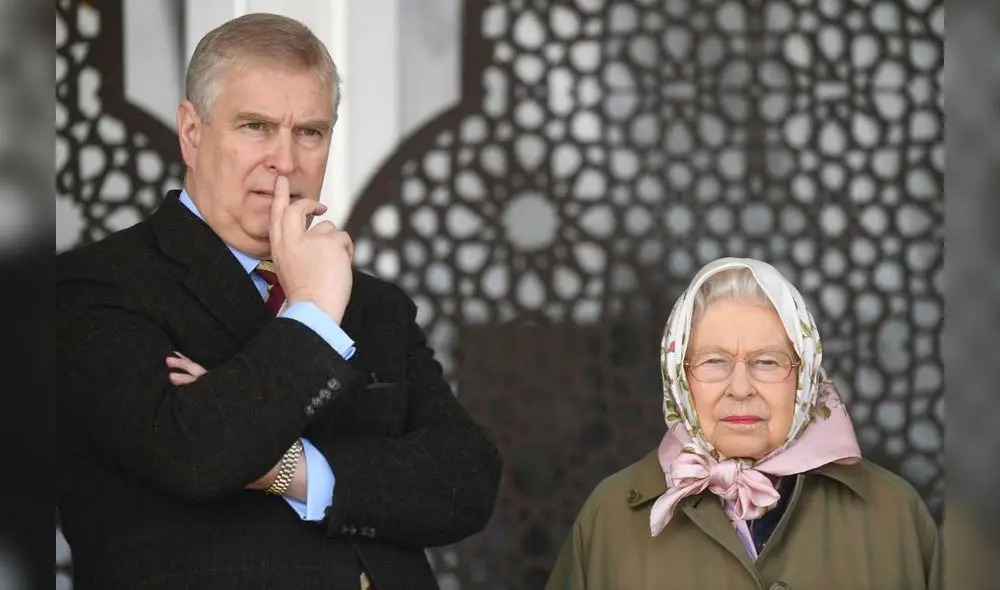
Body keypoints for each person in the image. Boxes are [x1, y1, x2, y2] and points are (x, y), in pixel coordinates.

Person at [56, 13, 502, 590]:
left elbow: (466, 482)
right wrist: (313, 314)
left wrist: (289, 468)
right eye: (256, 127)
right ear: (192, 133)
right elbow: (196, 452)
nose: (285, 161)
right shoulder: (96, 285)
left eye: (309, 133)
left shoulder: (375, 303)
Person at [546, 257, 940, 589]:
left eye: (767, 362)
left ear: (804, 378)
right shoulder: (611, 516)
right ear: (680, 379)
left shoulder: (894, 514)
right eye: (713, 361)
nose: (740, 388)